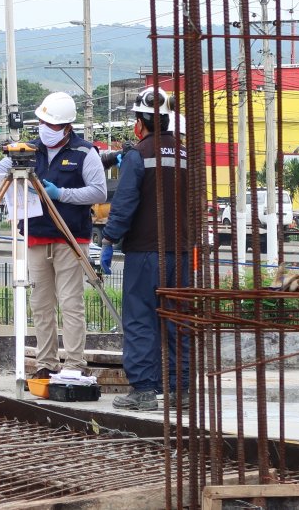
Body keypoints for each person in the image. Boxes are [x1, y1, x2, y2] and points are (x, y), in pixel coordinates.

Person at [0, 92, 106, 380]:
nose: (45, 128)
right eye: (42, 122)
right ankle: (47, 364)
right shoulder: (27, 151)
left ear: (66, 127)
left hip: (70, 238)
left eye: (51, 124)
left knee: (71, 303)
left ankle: (74, 365)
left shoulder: (84, 152)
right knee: (40, 305)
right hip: (36, 236)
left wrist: (61, 194)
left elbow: (99, 192)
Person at [99, 87, 191, 411]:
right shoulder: (185, 155)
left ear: (141, 122)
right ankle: (181, 390)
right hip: (181, 253)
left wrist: (109, 240)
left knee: (140, 320)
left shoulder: (138, 155)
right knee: (178, 319)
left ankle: (144, 391)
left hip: (145, 253)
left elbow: (124, 204)